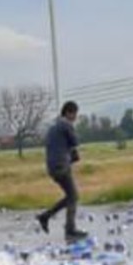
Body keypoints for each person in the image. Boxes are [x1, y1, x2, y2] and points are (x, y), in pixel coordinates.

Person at [36, 101, 88, 241]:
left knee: (71, 196)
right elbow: (75, 142)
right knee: (73, 196)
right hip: (61, 166)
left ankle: (46, 216)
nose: (75, 117)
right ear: (69, 113)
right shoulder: (66, 124)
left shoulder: (54, 126)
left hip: (53, 166)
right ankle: (69, 230)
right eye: (75, 114)